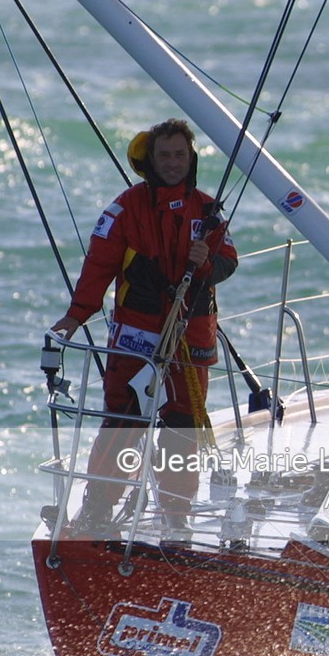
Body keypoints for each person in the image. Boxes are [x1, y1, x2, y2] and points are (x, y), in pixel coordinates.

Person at [50, 118, 238, 537]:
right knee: (123, 422)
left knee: (183, 428)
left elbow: (229, 261)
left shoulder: (208, 211)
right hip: (136, 338)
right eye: (164, 155)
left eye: (179, 155)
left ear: (191, 159)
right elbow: (98, 267)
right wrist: (76, 316)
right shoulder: (124, 210)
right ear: (150, 160)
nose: (172, 163)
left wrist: (205, 260)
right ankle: (98, 507)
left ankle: (176, 515)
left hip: (190, 340)